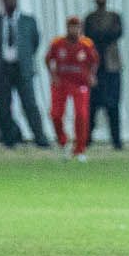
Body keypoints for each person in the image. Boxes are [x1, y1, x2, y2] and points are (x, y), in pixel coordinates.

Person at [0, 0, 50, 149]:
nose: (10, 2)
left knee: (30, 104)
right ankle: (9, 139)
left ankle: (40, 138)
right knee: (3, 105)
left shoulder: (28, 21)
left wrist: (24, 58)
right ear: (3, 2)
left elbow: (35, 42)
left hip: (22, 69)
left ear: (17, 1)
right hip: (2, 69)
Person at [46, 16, 99, 161]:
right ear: (67, 28)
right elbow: (48, 59)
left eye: (76, 27)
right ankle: (63, 141)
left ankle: (80, 149)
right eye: (71, 27)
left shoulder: (86, 44)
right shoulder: (57, 43)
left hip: (80, 83)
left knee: (81, 115)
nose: (74, 30)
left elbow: (95, 61)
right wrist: (53, 76)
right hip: (61, 83)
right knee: (55, 114)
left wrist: (92, 76)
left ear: (80, 28)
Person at [83, 0, 125, 150]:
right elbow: (88, 36)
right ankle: (87, 138)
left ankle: (116, 140)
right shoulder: (90, 18)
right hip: (95, 67)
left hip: (112, 66)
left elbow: (117, 33)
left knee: (113, 104)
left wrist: (101, 37)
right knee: (92, 105)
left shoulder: (115, 17)